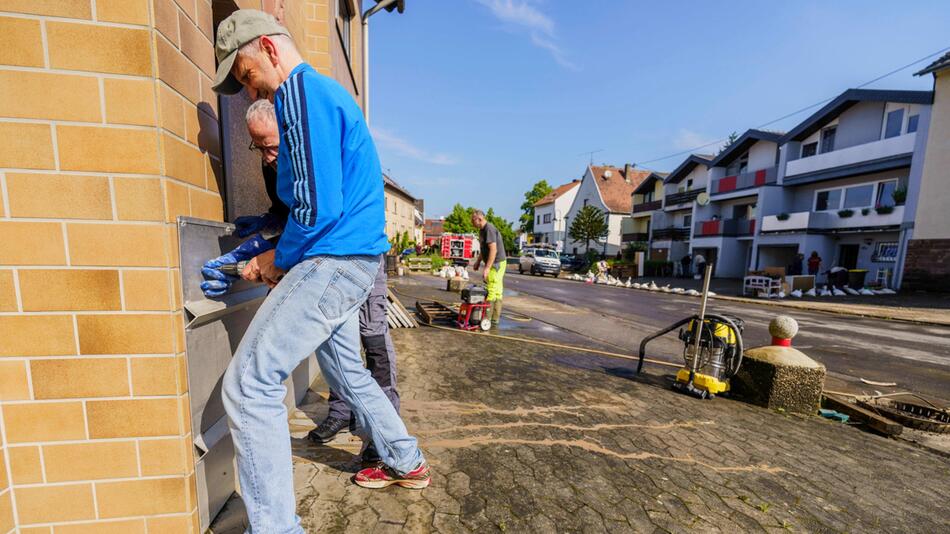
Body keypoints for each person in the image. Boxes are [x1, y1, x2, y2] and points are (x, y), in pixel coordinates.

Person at [211, 10, 428, 533]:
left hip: (332, 262)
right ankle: (404, 458)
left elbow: (316, 209)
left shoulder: (300, 94)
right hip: (350, 263)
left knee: (249, 385)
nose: (248, 88)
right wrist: (268, 238)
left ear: (267, 46)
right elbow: (312, 201)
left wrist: (270, 259)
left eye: (245, 74)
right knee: (347, 371)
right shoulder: (319, 95)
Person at [239, 99, 400, 464]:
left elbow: (326, 213)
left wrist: (279, 257)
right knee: (335, 347)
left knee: (373, 345)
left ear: (291, 133)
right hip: (321, 261)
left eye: (271, 145)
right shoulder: (274, 164)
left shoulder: (318, 151)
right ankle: (341, 414)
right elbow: (288, 213)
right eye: (258, 146)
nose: (266, 156)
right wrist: (267, 228)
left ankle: (381, 441)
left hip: (359, 256)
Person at [470, 209, 507, 326]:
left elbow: (493, 249)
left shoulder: (489, 229)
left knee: (491, 289)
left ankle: (487, 318)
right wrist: (478, 261)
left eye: (473, 220)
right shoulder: (482, 231)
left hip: (497, 263)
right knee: (497, 291)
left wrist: (487, 268)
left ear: (479, 219)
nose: (471, 222)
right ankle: (494, 319)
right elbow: (484, 249)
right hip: (497, 262)